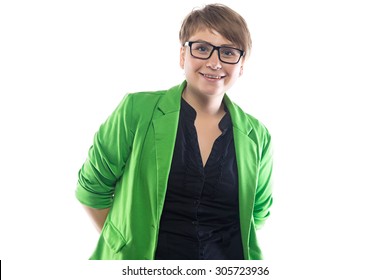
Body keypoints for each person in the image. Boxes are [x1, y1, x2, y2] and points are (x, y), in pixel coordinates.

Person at [76, 3, 273, 260]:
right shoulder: (136, 110)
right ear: (183, 55)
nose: (214, 63)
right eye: (202, 48)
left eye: (228, 52)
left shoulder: (257, 136)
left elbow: (256, 215)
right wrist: (125, 248)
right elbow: (91, 190)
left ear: (242, 64)